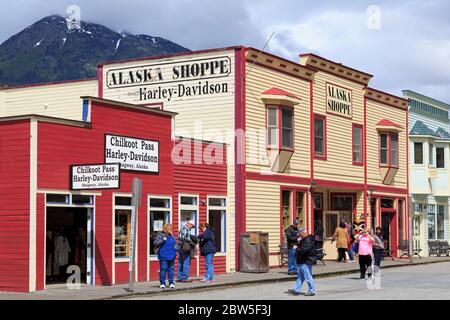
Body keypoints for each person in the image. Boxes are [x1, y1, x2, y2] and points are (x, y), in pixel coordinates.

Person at [288, 227, 316, 296]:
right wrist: (299, 241)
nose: (299, 235)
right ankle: (296, 290)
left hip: (306, 261)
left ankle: (312, 290)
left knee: (308, 276)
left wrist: (296, 248)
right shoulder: (305, 239)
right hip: (303, 260)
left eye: (300, 234)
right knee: (300, 276)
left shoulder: (307, 240)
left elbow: (304, 251)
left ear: (303, 232)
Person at [154, 224, 177, 289]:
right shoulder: (160, 235)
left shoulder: (171, 236)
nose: (171, 230)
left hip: (171, 255)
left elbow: (174, 244)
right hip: (163, 255)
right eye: (170, 229)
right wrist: (162, 240)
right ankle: (162, 283)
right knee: (163, 269)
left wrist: (176, 249)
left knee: (171, 269)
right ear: (166, 229)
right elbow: (155, 243)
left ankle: (171, 283)